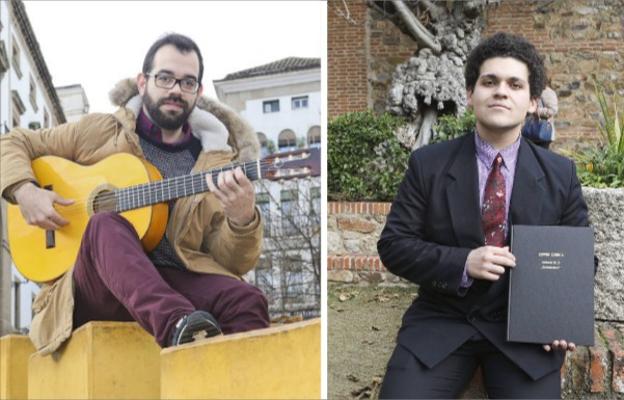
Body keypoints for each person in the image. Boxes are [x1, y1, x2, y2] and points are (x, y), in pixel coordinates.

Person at [0, 33, 270, 355]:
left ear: (198, 92)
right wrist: (25, 191)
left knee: (247, 300)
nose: (175, 90)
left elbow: (232, 262)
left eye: (187, 83)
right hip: (94, 286)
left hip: (174, 280)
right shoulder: (98, 131)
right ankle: (178, 328)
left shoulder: (215, 163)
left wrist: (242, 220)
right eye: (165, 78)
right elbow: (12, 142)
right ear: (143, 82)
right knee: (103, 224)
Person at [377, 32, 590, 399]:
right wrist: (463, 262)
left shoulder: (560, 174)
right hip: (441, 322)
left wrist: (560, 317)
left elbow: (581, 259)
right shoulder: (428, 164)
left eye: (514, 84)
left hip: (525, 331)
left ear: (533, 101)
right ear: (469, 94)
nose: (501, 91)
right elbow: (394, 245)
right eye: (489, 81)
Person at [522, 83, 559, 149]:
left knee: (541, 156)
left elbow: (553, 110)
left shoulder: (547, 92)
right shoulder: (531, 91)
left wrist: (536, 110)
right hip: (529, 131)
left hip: (542, 130)